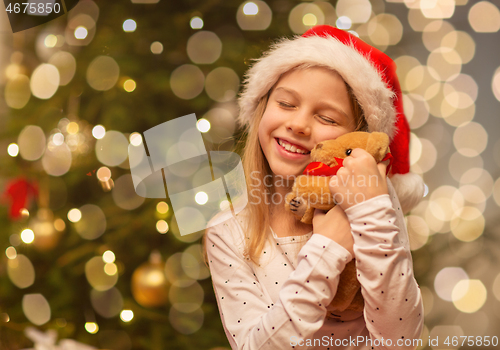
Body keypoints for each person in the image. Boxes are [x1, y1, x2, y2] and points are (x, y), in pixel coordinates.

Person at [204, 25, 425, 350]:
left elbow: (400, 339)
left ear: (357, 138)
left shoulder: (375, 203)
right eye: (287, 103)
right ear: (262, 107)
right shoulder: (227, 232)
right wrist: (327, 248)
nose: (297, 124)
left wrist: (371, 211)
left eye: (327, 118)